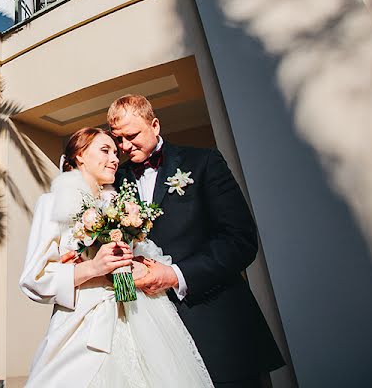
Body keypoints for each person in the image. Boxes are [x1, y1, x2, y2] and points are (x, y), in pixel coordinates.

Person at [108, 94, 284, 388]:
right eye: (118, 140)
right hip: (152, 335)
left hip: (218, 330)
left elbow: (239, 240)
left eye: (131, 136)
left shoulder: (203, 162)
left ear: (155, 125)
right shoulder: (115, 180)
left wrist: (175, 275)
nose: (124, 147)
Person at [19, 127, 213, 387]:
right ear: (79, 156)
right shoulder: (54, 203)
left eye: (114, 152)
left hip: (140, 314)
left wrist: (140, 265)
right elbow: (35, 277)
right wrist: (93, 268)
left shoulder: (120, 205)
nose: (114, 158)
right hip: (84, 322)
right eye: (105, 150)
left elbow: (147, 254)